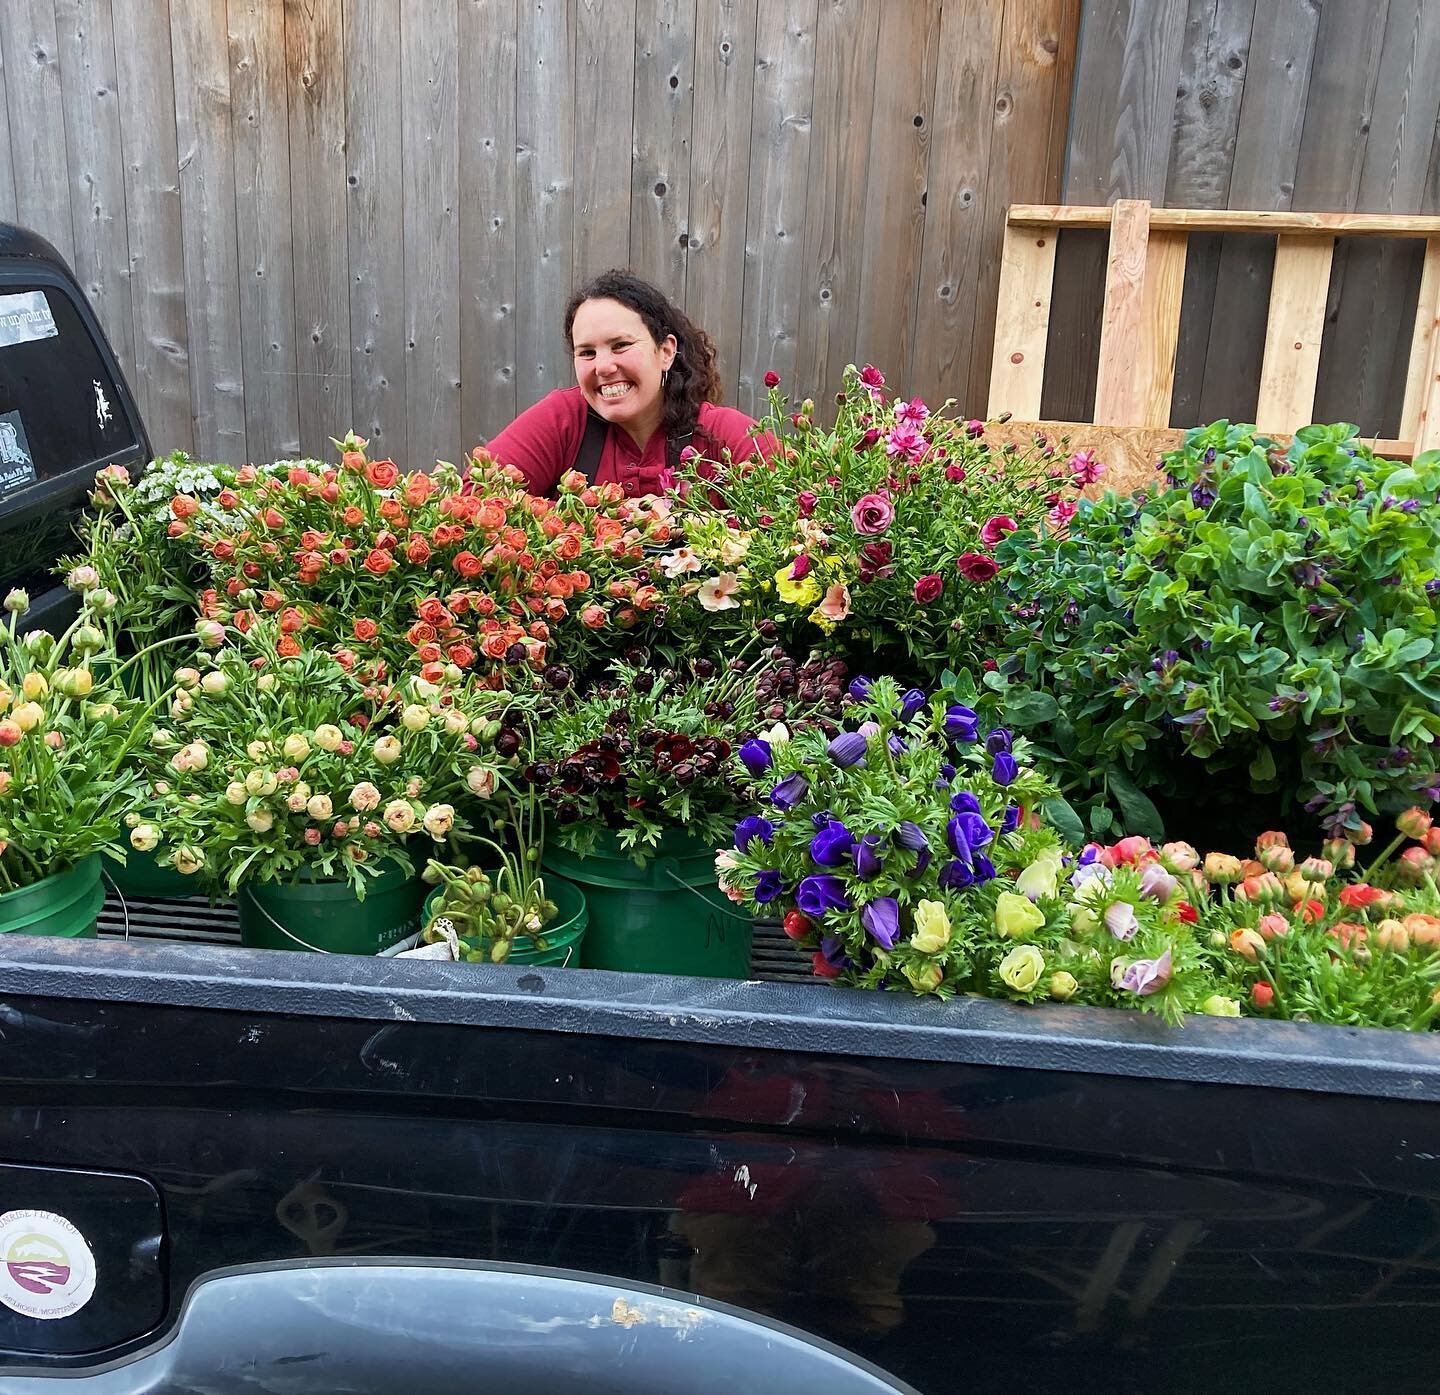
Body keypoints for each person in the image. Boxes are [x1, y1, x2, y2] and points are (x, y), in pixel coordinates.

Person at [475, 269, 773, 498]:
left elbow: (802, 516)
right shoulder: (562, 421)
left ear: (666, 351)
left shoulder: (722, 437)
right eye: (587, 352)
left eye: (620, 345)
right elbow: (471, 504)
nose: (604, 366)